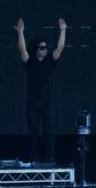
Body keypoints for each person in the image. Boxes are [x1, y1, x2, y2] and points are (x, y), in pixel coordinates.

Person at [15, 17, 67, 163]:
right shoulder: (29, 61)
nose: (45, 50)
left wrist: (63, 30)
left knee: (48, 132)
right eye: (42, 47)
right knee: (33, 133)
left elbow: (60, 48)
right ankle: (33, 159)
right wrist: (20, 32)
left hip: (47, 103)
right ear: (37, 49)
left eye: (45, 47)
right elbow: (22, 49)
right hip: (32, 104)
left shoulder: (50, 61)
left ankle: (50, 158)